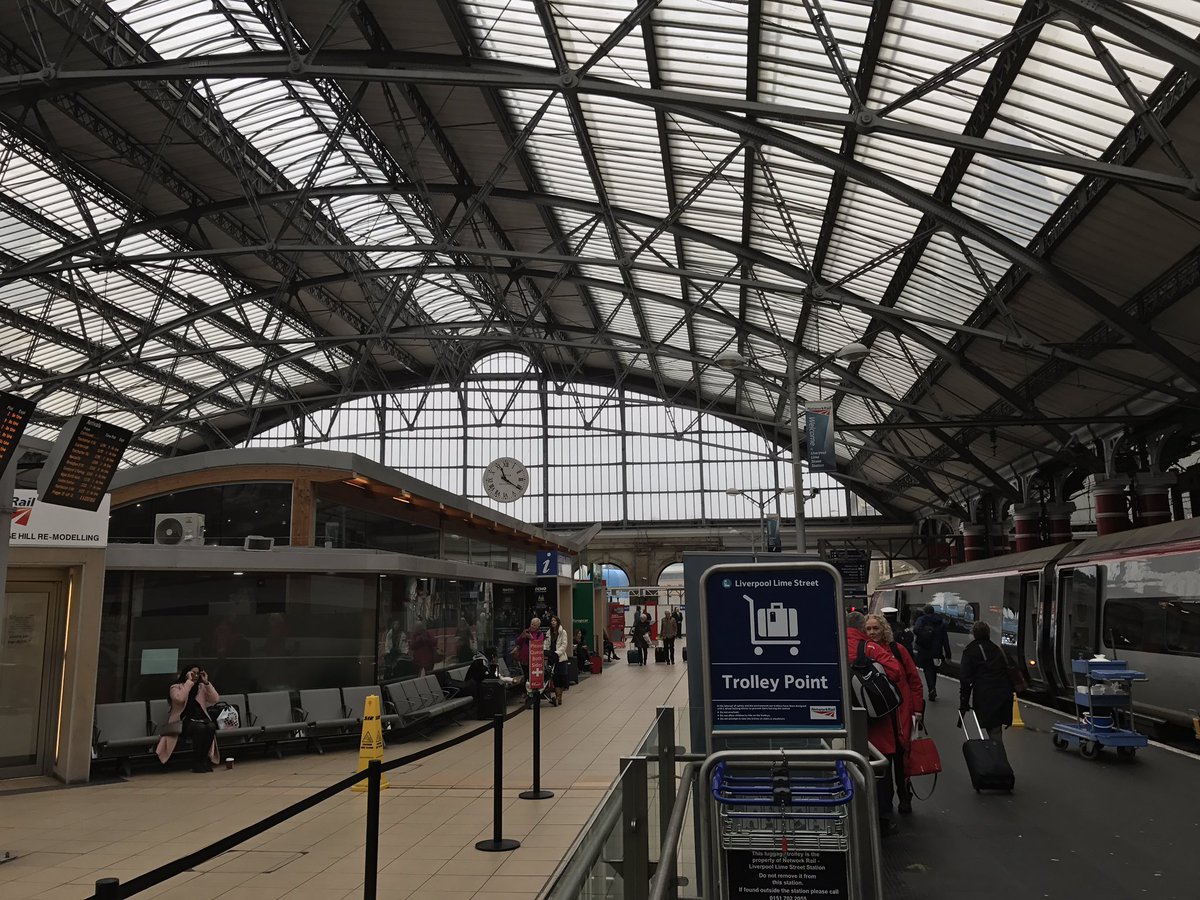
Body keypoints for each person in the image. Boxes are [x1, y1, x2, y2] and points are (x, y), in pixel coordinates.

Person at [846, 611, 904, 836]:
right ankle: (881, 819)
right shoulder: (870, 648)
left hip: (845, 721)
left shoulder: (833, 647)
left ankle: (851, 813)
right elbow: (896, 672)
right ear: (862, 628)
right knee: (879, 769)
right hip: (875, 720)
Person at [867, 613, 925, 816]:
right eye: (868, 629)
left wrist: (917, 710)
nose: (872, 632)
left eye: (876, 628)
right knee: (884, 762)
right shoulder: (864, 653)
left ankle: (905, 797)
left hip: (901, 716)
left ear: (884, 629)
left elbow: (914, 681)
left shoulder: (898, 650)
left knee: (903, 761)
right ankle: (886, 805)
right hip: (880, 719)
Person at [155, 665, 220, 773]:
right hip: (182, 722)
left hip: (200, 719)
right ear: (186, 674)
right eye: (193, 673)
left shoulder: (201, 687)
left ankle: (203, 761)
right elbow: (179, 699)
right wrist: (189, 682)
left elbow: (215, 699)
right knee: (200, 728)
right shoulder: (176, 687)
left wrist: (207, 683)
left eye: (198, 673)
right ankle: (196, 762)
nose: (195, 676)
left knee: (211, 726)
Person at [959, 621, 1015, 744]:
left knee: (993, 730)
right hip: (1004, 695)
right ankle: (997, 752)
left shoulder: (970, 651)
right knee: (995, 729)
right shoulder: (998, 649)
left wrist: (964, 702)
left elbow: (965, 679)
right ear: (988, 633)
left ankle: (997, 754)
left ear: (974, 634)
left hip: (985, 696)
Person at [911, 604, 951, 700]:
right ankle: (933, 688)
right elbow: (945, 639)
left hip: (924, 649)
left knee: (927, 669)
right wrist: (948, 654)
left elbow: (916, 629)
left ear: (924, 611)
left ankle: (931, 689)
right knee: (934, 669)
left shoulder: (921, 619)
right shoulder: (940, 621)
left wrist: (923, 635)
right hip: (937, 650)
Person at [546, 615, 570, 706]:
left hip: (560, 658)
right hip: (552, 658)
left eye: (555, 620)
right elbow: (546, 644)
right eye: (552, 620)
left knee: (562, 677)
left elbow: (564, 645)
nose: (553, 622)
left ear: (558, 622)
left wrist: (557, 653)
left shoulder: (563, 632)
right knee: (555, 678)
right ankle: (557, 697)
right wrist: (546, 652)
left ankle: (560, 696)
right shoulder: (549, 632)